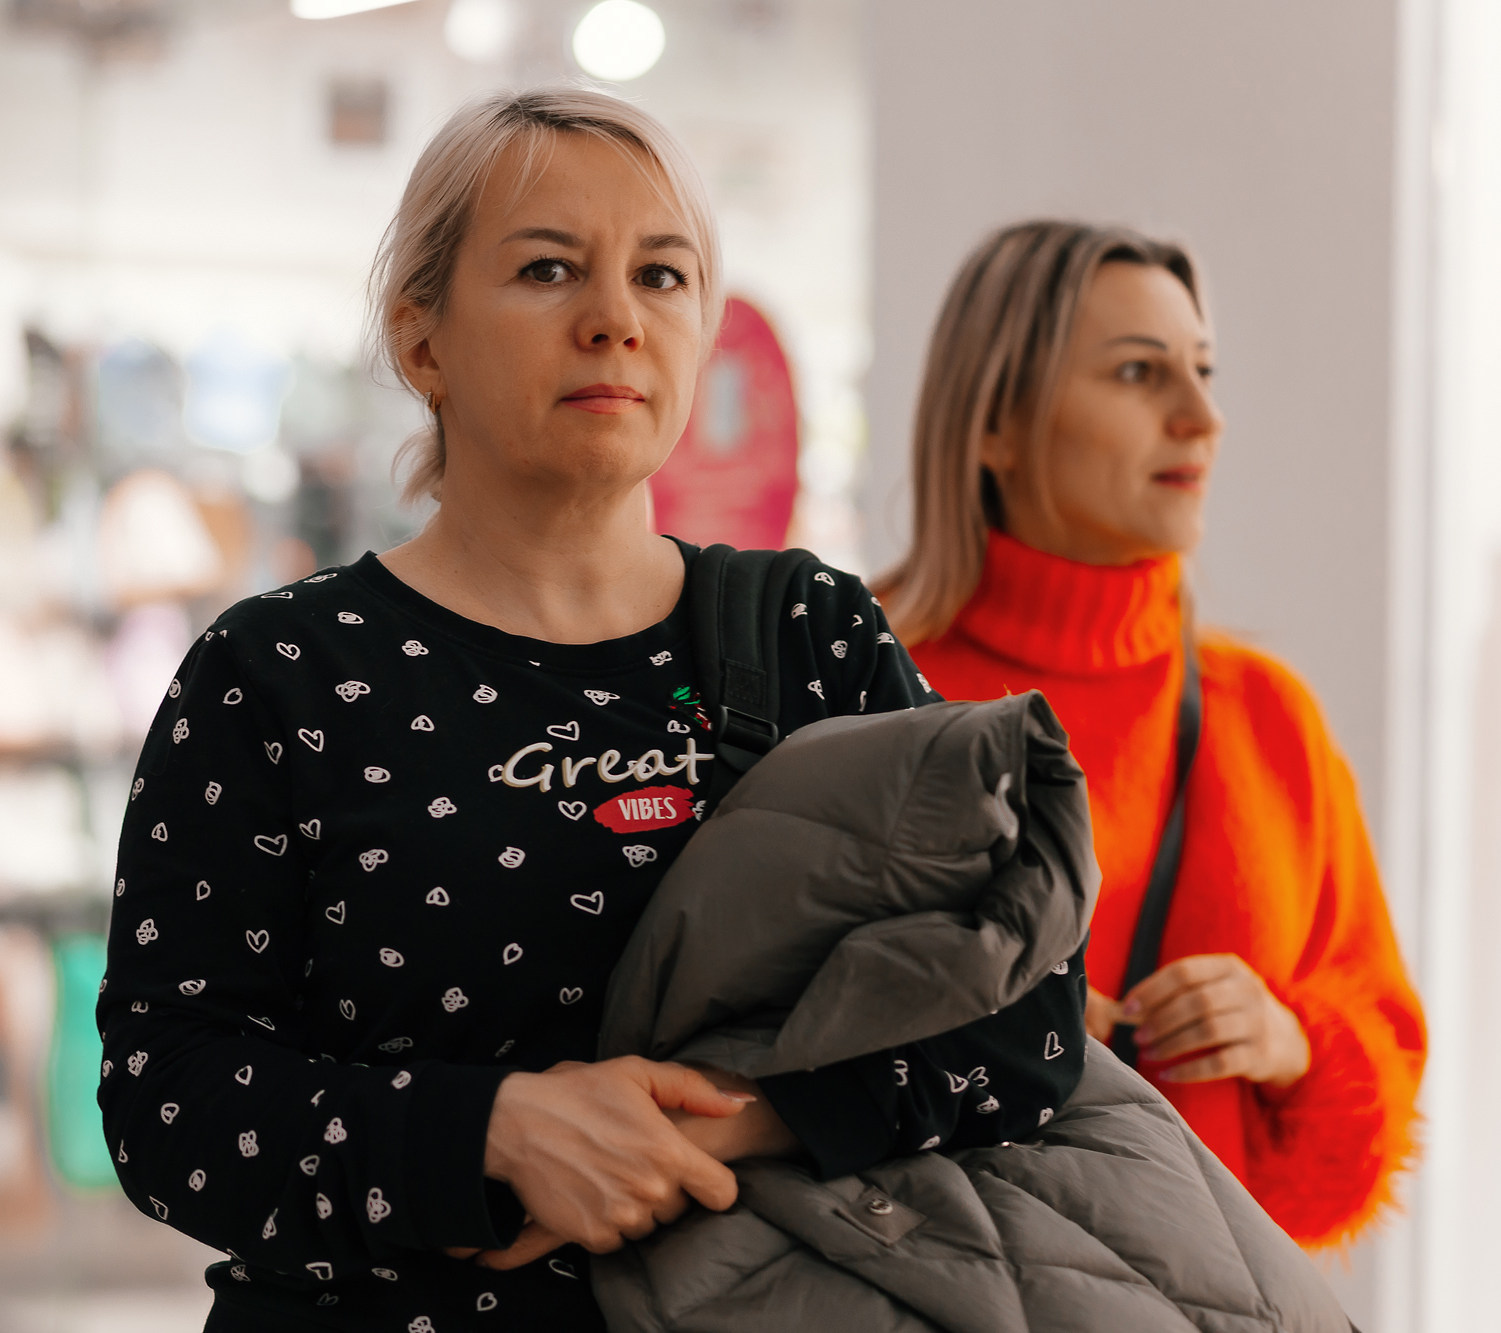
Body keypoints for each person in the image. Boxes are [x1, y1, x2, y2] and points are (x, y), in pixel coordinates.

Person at [99, 90, 1087, 1332]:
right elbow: (167, 1099)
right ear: (421, 341)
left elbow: (1028, 1010)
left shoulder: (810, 636)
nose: (615, 319)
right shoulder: (277, 673)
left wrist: (732, 1121)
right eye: (547, 269)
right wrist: (490, 1131)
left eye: (661, 276)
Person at [875, 220, 1426, 1247]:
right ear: (995, 424)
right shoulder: (859, 688)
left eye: (1202, 371)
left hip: (1196, 1294)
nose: (1201, 417)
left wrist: (1287, 1042)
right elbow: (749, 1044)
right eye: (1138, 372)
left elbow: (1380, 1077)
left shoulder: (1264, 715)